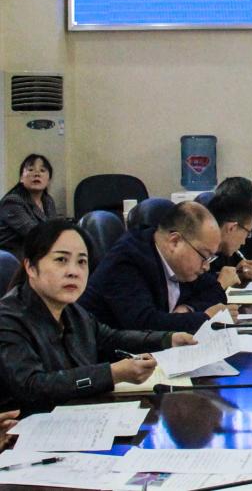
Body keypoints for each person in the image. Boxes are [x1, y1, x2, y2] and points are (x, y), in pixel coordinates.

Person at [0, 220, 194, 414]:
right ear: (31, 267)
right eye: (61, 260)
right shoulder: (8, 318)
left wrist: (168, 339)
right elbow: (33, 386)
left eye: (81, 262)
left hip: (78, 414)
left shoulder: (73, 311)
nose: (73, 272)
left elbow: (111, 338)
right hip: (29, 426)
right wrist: (112, 374)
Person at [80, 201, 233, 333]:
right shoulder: (127, 259)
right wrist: (205, 318)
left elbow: (214, 290)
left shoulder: (184, 265)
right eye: (204, 255)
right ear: (175, 242)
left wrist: (187, 308)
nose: (206, 266)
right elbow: (144, 325)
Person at [0, 154, 58, 259]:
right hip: (12, 257)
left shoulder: (48, 201)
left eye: (42, 170)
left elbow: (54, 228)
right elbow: (34, 233)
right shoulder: (12, 201)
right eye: (30, 170)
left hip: (38, 253)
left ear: (49, 180)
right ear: (21, 178)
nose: (37, 174)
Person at [206, 192, 252, 284]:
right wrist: (220, 285)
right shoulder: (196, 255)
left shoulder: (216, 252)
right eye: (247, 234)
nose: (243, 242)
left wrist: (237, 274)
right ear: (232, 228)